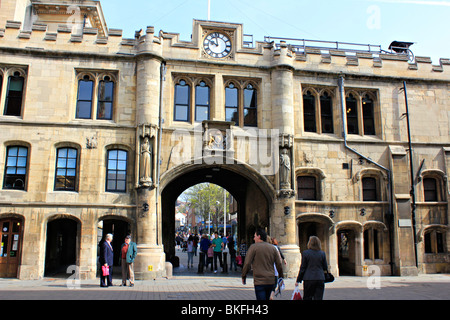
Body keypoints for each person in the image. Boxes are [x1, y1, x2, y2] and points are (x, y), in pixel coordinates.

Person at [241, 229, 283, 301]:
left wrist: (244, 275)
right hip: (270, 280)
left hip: (259, 280)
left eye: (255, 236)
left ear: (259, 236)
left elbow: (247, 263)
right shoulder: (273, 248)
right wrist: (281, 276)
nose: (253, 238)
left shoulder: (253, 247)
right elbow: (279, 263)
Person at [295, 236, 329, 300]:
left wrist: (298, 280)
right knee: (318, 298)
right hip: (320, 278)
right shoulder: (322, 253)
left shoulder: (305, 253)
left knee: (307, 297)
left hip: (308, 278)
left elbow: (303, 268)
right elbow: (325, 267)